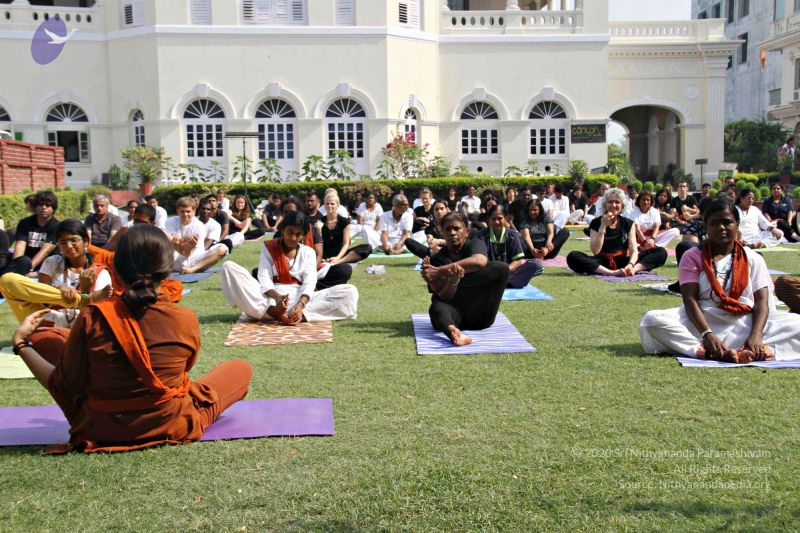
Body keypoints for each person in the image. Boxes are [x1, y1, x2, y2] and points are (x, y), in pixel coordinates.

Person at [10, 224, 252, 453]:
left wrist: (21, 344)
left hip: (100, 426)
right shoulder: (184, 318)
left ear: (117, 268)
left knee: (45, 337)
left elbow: (64, 387)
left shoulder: (93, 316)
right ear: (167, 269)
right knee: (240, 369)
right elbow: (184, 370)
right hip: (170, 421)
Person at [640, 199, 800, 362]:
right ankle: (709, 351)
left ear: (737, 225)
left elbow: (761, 301)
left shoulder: (753, 258)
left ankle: (759, 347)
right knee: (652, 321)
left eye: (727, 222)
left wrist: (756, 335)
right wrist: (707, 333)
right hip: (702, 321)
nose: (721, 227)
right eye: (714, 223)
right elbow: (690, 300)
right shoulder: (692, 256)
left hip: (745, 321)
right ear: (705, 226)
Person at [221, 211, 359, 323]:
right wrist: (278, 299)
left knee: (350, 291)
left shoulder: (308, 252)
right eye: (290, 232)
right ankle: (272, 313)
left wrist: (300, 305)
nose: (293, 238)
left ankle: (298, 315)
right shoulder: (269, 248)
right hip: (270, 299)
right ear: (282, 230)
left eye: (298, 234)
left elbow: (310, 282)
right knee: (228, 267)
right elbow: (263, 277)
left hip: (299, 298)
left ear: (303, 236)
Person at [0, 220, 113, 326]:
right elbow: (42, 300)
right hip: (47, 321)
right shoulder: (52, 262)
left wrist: (84, 290)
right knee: (7, 279)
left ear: (86, 242)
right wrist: (58, 289)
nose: (69, 246)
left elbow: (91, 315)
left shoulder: (99, 272)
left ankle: (81, 299)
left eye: (74, 240)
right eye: (63, 242)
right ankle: (78, 299)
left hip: (80, 327)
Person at [421, 212, 510, 346]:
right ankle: (453, 332)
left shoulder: (475, 244)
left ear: (466, 232)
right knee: (436, 307)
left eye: (456, 228)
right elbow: (444, 296)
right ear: (442, 233)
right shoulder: (437, 259)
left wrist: (441, 272)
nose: (452, 233)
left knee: (501, 268)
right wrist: (452, 281)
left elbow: (479, 261)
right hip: (454, 314)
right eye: (447, 229)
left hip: (480, 315)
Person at [567, 188, 667, 276]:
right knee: (573, 256)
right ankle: (612, 273)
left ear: (622, 206)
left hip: (623, 261)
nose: (614, 205)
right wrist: (603, 226)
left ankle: (632, 270)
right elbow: (595, 251)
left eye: (617, 202)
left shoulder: (628, 223)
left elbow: (633, 249)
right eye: (610, 202)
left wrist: (631, 265)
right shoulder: (596, 222)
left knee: (661, 252)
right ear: (605, 205)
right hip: (601, 262)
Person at [478, 204, 543, 288]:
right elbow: (479, 260)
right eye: (493, 219)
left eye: (499, 218)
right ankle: (506, 283)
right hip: (489, 273)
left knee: (537, 263)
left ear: (505, 219)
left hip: (508, 272)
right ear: (489, 220)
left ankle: (502, 282)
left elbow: (518, 260)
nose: (496, 222)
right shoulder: (482, 235)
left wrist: (505, 270)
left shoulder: (512, 235)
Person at [11, 190, 60, 275]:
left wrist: (28, 269)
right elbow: (20, 245)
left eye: (48, 205)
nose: (44, 207)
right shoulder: (25, 223)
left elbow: (45, 251)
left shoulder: (57, 226)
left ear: (53, 208)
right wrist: (17, 265)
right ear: (35, 207)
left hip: (47, 266)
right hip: (26, 262)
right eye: (40, 205)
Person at [320, 192, 371, 265]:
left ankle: (338, 262)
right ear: (324, 205)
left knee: (367, 248)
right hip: (324, 255)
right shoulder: (319, 222)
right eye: (327, 204)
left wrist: (337, 258)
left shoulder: (344, 222)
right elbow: (317, 243)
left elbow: (346, 243)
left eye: (332, 204)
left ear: (338, 205)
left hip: (340, 255)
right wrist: (320, 257)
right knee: (345, 270)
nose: (329, 206)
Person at [164, 196, 207, 273]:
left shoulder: (200, 226)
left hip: (194, 261)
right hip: (174, 260)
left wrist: (179, 242)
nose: (185, 214)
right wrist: (187, 239)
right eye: (182, 211)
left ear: (194, 211)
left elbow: (188, 252)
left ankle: (192, 269)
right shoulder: (170, 221)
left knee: (222, 248)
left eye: (188, 211)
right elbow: (173, 241)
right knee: (162, 233)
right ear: (177, 211)